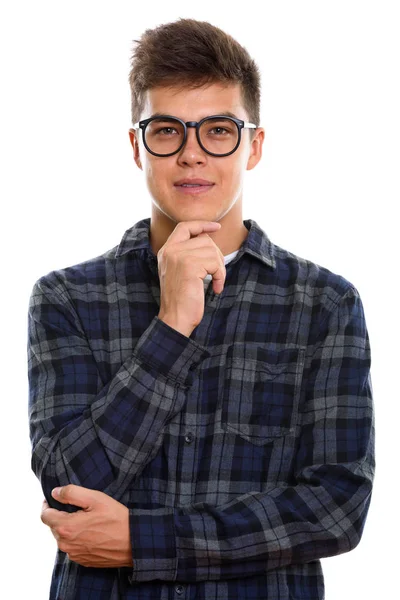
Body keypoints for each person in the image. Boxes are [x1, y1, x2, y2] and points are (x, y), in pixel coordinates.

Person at [28, 17, 375, 600]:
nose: (192, 155)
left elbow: (336, 509)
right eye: (167, 131)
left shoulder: (326, 304)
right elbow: (69, 483)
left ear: (253, 145)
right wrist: (171, 327)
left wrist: (145, 540)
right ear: (137, 145)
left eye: (218, 130)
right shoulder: (67, 298)